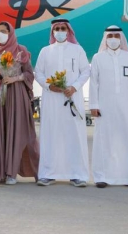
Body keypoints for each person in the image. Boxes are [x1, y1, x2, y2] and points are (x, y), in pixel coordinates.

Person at [34, 18, 90, 187]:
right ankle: (47, 173)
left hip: (72, 98)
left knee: (74, 135)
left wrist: (74, 87)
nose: (59, 31)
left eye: (62, 28)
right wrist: (49, 86)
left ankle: (77, 174)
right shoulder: (45, 51)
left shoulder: (78, 50)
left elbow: (86, 71)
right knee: (50, 135)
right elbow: (38, 73)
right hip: (51, 99)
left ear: (68, 31)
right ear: (52, 32)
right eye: (56, 28)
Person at [0, 22, 40, 184]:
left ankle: (11, 173)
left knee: (16, 132)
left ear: (11, 33)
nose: (0, 34)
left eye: (3, 31)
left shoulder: (21, 51)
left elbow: (29, 73)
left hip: (16, 95)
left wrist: (15, 78)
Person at [89, 25, 128, 189]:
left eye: (116, 36)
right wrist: (93, 105)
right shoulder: (98, 57)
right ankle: (102, 177)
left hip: (126, 106)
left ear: (121, 38)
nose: (113, 39)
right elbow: (93, 83)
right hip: (104, 107)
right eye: (110, 35)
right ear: (106, 38)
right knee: (104, 141)